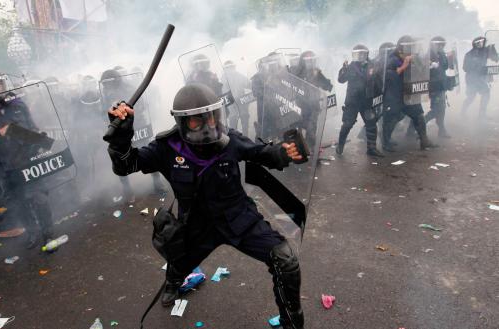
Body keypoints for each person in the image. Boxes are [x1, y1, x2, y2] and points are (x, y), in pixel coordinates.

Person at [106, 83, 305, 329]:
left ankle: (292, 324)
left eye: (212, 115)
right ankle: (173, 281)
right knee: (178, 263)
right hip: (197, 225)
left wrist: (283, 152)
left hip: (238, 218)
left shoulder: (230, 139)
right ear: (182, 122)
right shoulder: (167, 148)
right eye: (198, 120)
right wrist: (121, 137)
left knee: (285, 260)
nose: (208, 123)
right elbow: (126, 165)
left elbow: (260, 152)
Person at [0, 69, 54, 251]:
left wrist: (40, 140)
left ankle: (48, 234)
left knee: (39, 198)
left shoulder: (17, 102)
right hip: (3, 166)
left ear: (2, 84)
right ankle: (32, 232)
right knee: (17, 201)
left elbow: (31, 127)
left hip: (28, 160)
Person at [382, 36, 437, 152]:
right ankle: (386, 143)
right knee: (392, 120)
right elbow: (388, 76)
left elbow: (420, 70)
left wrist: (426, 64)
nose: (411, 50)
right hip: (395, 96)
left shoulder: (412, 57)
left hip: (410, 93)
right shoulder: (392, 59)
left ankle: (424, 141)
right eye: (409, 48)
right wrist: (404, 65)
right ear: (400, 49)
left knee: (419, 116)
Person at [335, 45, 384, 157]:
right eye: (358, 54)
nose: (361, 56)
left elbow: (378, 82)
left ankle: (371, 148)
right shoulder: (350, 67)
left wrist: (379, 95)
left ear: (366, 54)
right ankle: (340, 145)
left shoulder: (372, 65)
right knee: (348, 123)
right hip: (353, 101)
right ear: (354, 55)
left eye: (363, 54)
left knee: (371, 123)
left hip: (367, 100)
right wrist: (343, 69)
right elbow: (341, 80)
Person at [461, 36, 498, 119]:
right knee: (471, 97)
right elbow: (465, 68)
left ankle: (482, 114)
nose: (481, 44)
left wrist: (493, 51)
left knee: (486, 93)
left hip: (480, 78)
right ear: (475, 44)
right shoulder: (469, 54)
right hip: (472, 79)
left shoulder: (485, 51)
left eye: (482, 42)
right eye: (479, 42)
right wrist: (475, 64)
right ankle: (463, 112)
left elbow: (495, 58)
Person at [426, 36, 451, 137]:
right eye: (438, 45)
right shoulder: (428, 55)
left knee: (442, 108)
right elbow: (422, 69)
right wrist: (431, 66)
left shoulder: (441, 54)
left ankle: (442, 130)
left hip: (441, 84)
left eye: (442, 45)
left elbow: (445, 67)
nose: (440, 46)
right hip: (434, 85)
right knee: (436, 109)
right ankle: (418, 124)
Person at [222, 60, 251, 135]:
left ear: (234, 67)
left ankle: (244, 138)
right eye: (228, 68)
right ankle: (237, 138)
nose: (230, 69)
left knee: (243, 120)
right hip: (231, 103)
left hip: (240, 102)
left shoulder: (239, 76)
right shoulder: (223, 79)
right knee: (234, 121)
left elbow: (249, 84)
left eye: (231, 67)